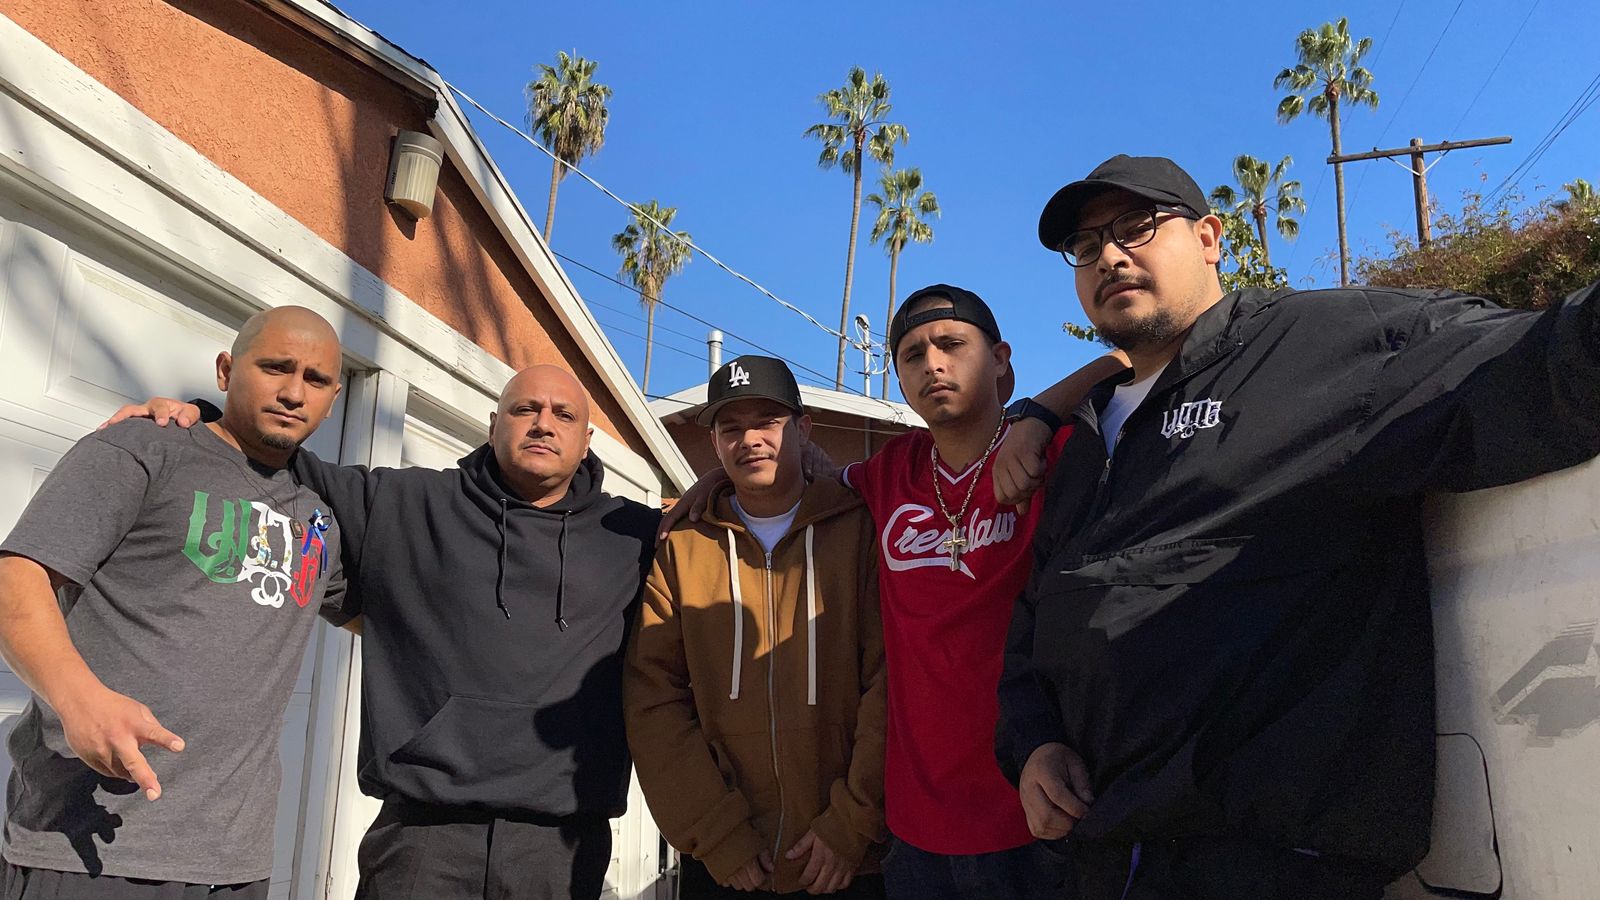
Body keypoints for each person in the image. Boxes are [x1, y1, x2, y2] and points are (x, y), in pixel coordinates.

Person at [997, 154, 1600, 899]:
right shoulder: (1086, 436)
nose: (1110, 256)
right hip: (1103, 856)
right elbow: (1037, 617)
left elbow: (1532, 364)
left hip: (1267, 860)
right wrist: (1036, 743)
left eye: (1137, 226)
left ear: (1209, 238)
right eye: (1086, 247)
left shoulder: (1323, 346)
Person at [106, 364, 660, 900]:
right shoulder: (406, 502)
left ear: (586, 441)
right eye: (525, 409)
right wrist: (204, 420)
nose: (543, 424)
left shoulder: (634, 536)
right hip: (421, 835)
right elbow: (284, 462)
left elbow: (704, 547)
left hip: (562, 845)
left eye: (563, 415)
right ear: (493, 425)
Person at [666, 289, 1125, 899]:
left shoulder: (1058, 457)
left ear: (1000, 360)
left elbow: (1128, 357)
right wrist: (716, 477)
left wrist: (1038, 418)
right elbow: (791, 471)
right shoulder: (886, 474)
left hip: (1037, 807)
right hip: (914, 829)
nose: (932, 363)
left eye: (952, 345)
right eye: (912, 355)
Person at [0, 306, 347, 899]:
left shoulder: (319, 518)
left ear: (333, 398)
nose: (294, 393)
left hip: (235, 864)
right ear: (225, 370)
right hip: (88, 848)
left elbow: (395, 620)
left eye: (315, 380)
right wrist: (78, 698)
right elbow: (17, 579)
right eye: (275, 367)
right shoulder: (146, 447)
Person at [625, 355, 886, 898]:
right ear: (716, 444)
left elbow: (889, 681)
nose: (749, 439)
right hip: (728, 864)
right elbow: (653, 698)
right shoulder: (683, 548)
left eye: (767, 421)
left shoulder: (859, 530)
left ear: (803, 428)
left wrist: (852, 822)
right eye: (731, 428)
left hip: (846, 861)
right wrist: (717, 833)